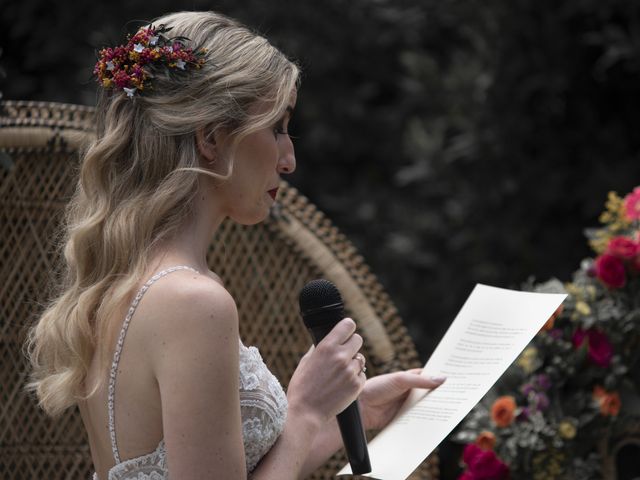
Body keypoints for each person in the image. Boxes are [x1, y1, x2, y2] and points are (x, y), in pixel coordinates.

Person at [23, 10, 445, 480]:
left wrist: (348, 418)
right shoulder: (192, 302)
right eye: (277, 128)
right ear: (212, 138)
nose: (289, 160)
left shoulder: (129, 280)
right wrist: (304, 410)